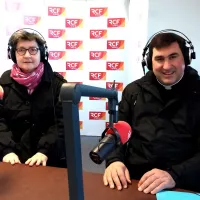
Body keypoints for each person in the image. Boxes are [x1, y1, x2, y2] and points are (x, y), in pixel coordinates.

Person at [103, 30, 200, 194]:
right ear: (149, 62)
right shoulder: (133, 91)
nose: (167, 66)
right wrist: (114, 160)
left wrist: (174, 175)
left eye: (173, 57)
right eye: (160, 59)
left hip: (183, 183)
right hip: (136, 181)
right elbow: (117, 132)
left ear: (186, 58)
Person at [0, 29, 67, 168]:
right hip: (12, 160)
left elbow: (62, 124)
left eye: (33, 50)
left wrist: (45, 151)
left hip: (49, 160)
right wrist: (7, 150)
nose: (27, 55)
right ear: (13, 54)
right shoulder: (4, 82)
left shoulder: (58, 85)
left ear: (42, 53)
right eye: (21, 50)